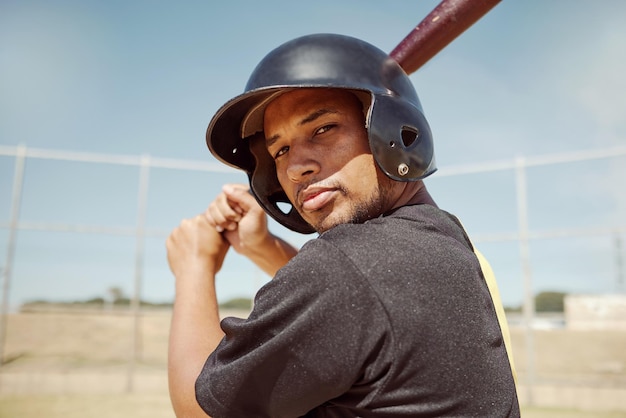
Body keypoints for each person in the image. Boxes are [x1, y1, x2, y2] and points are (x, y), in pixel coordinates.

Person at [166, 34, 520, 417]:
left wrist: (194, 266)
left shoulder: (349, 268)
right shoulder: (442, 239)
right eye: (280, 150)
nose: (296, 166)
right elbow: (358, 304)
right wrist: (262, 247)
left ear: (391, 130)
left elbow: (198, 411)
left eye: (323, 129)